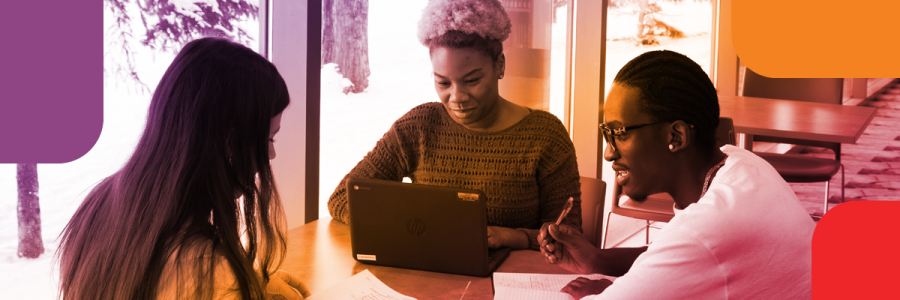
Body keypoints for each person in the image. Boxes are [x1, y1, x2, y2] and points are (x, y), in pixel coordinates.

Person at [539, 50, 815, 299]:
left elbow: (696, 243)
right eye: (606, 134)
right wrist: (597, 260)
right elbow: (679, 252)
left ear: (676, 136)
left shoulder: (707, 227)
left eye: (618, 133)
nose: (608, 153)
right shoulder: (742, 161)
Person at [57, 38, 310, 300]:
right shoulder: (212, 277)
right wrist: (240, 287)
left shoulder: (98, 207)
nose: (271, 155)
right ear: (230, 143)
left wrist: (252, 283)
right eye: (268, 140)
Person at [327, 0, 582, 250]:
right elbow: (342, 199)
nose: (456, 97)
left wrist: (514, 237)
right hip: (428, 277)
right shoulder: (418, 127)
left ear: (500, 66)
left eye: (471, 81)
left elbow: (569, 240)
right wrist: (409, 226)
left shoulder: (544, 136)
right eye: (443, 83)